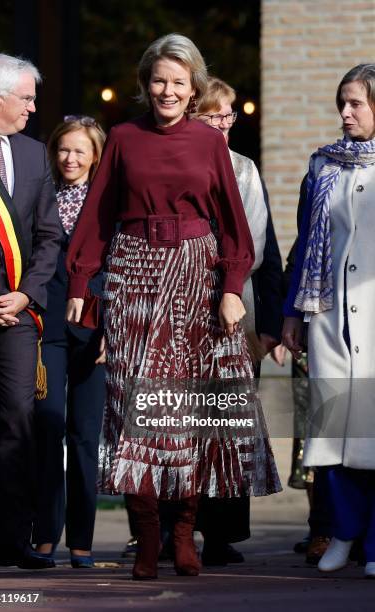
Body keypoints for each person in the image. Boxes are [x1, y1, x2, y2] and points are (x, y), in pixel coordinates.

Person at [66, 33, 281, 581]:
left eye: (179, 83)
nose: (167, 90)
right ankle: (148, 534)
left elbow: (234, 223)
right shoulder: (122, 138)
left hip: (197, 276)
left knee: (192, 410)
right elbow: (96, 213)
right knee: (137, 407)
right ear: (146, 84)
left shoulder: (210, 144)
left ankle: (186, 532)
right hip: (135, 272)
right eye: (159, 80)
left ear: (194, 90)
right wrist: (80, 281)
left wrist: (232, 286)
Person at [0, 53, 61, 574]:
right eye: (25, 97)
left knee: (20, 423)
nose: (32, 106)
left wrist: (25, 295)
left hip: (19, 315)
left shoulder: (31, 154)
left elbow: (49, 236)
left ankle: (14, 540)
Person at [283, 63, 375, 578]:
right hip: (329, 316)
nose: (344, 112)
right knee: (333, 430)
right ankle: (342, 533)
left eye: (356, 103)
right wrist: (292, 312)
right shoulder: (323, 166)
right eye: (342, 101)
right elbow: (304, 247)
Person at [195, 76, 283, 565]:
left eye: (229, 115)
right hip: (181, 313)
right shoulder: (178, 166)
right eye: (213, 115)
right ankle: (171, 527)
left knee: (228, 425)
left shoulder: (246, 170)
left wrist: (269, 321)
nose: (224, 125)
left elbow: (266, 251)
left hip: (237, 317)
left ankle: (222, 533)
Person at [32, 116, 106, 568]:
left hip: (95, 331)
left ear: (96, 156)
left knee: (84, 438)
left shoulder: (108, 205)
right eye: (63, 150)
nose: (70, 159)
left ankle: (82, 541)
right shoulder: (40, 198)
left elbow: (121, 267)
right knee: (47, 426)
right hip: (48, 327)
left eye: (80, 151)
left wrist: (112, 329)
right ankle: (45, 536)